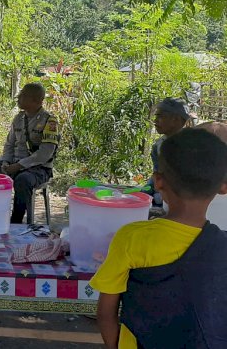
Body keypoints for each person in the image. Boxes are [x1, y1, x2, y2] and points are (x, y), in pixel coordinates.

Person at [90, 128, 227, 349]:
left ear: (159, 181)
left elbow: (106, 313)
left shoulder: (131, 238)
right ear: (223, 187)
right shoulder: (221, 247)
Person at [0, 83, 59, 223]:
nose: (19, 98)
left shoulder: (49, 121)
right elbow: (9, 144)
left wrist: (19, 166)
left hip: (37, 168)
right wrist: (6, 162)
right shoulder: (18, 119)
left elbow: (45, 153)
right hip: (12, 163)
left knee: (22, 181)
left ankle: (16, 222)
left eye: (23, 95)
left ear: (35, 100)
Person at [146, 97, 191, 206]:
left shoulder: (191, 146)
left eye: (160, 117)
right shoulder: (158, 145)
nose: (155, 121)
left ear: (176, 120)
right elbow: (157, 174)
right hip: (163, 198)